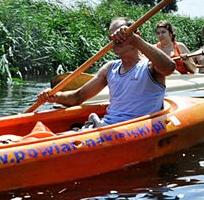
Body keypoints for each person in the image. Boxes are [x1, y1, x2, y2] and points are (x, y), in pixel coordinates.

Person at [38, 17, 176, 127]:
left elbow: (169, 68)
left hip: (134, 129)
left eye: (121, 35)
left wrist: (135, 40)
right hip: (106, 126)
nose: (115, 40)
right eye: (111, 38)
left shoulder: (150, 66)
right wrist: (55, 96)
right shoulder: (110, 68)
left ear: (136, 34)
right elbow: (77, 97)